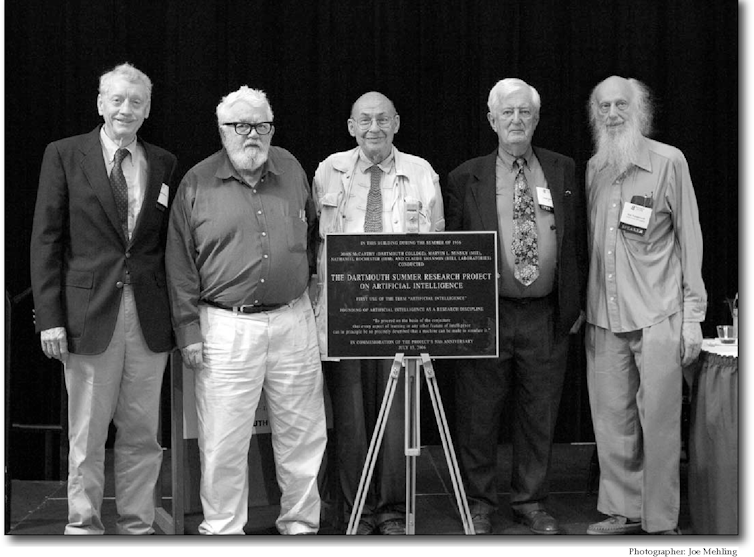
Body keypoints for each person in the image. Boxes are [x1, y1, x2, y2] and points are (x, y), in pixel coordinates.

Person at [165, 86, 326, 535]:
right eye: (240, 125)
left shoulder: (293, 168)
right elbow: (178, 263)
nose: (251, 134)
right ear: (222, 131)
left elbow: (313, 232)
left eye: (261, 125)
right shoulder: (195, 183)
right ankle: (222, 533)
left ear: (272, 128)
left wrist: (308, 286)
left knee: (303, 434)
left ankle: (301, 529)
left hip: (294, 320)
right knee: (222, 442)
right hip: (224, 327)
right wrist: (188, 331)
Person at [30, 63, 177, 535]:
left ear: (148, 109)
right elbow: (46, 241)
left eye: (136, 102)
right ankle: (83, 527)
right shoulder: (64, 154)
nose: (125, 109)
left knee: (141, 435)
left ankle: (137, 527)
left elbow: (161, 245)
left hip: (148, 316)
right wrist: (49, 318)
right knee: (87, 434)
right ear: (100, 103)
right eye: (117, 100)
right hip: (87, 317)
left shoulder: (164, 162)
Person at [445, 78, 587, 535]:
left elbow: (578, 242)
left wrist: (576, 300)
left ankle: (531, 501)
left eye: (525, 112)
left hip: (546, 313)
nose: (516, 120)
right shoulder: (465, 176)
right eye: (507, 112)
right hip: (487, 313)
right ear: (491, 120)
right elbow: (453, 249)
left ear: (537, 118)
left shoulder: (564, 170)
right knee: (478, 413)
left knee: (539, 411)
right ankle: (479, 503)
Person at [312, 91, 445, 535]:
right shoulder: (327, 171)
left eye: (383, 119)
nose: (374, 128)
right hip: (344, 313)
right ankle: (356, 510)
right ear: (351, 127)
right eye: (365, 120)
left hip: (400, 313)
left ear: (397, 123)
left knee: (397, 422)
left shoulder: (422, 172)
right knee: (349, 420)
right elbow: (314, 243)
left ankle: (392, 511)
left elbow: (438, 245)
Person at [584, 76, 706, 536]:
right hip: (603, 315)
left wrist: (693, 317)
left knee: (658, 423)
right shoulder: (595, 166)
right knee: (612, 422)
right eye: (603, 107)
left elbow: (690, 240)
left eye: (620, 105)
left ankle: (660, 520)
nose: (612, 114)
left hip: (659, 314)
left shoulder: (668, 161)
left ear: (640, 110)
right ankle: (623, 509)